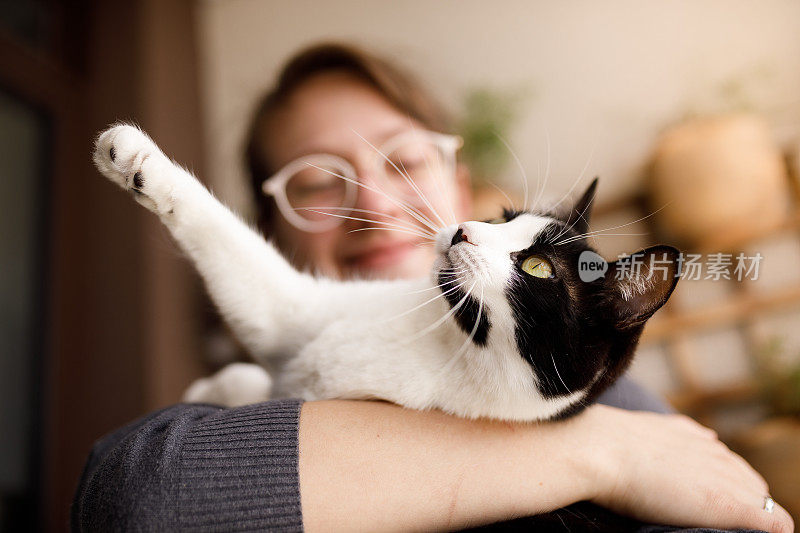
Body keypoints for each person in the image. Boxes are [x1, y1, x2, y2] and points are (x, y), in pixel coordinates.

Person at [71, 43, 793, 532]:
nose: (377, 203)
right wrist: (597, 452)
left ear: (460, 182)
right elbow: (131, 497)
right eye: (319, 181)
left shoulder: (624, 403)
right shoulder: (619, 435)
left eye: (406, 160)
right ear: (268, 226)